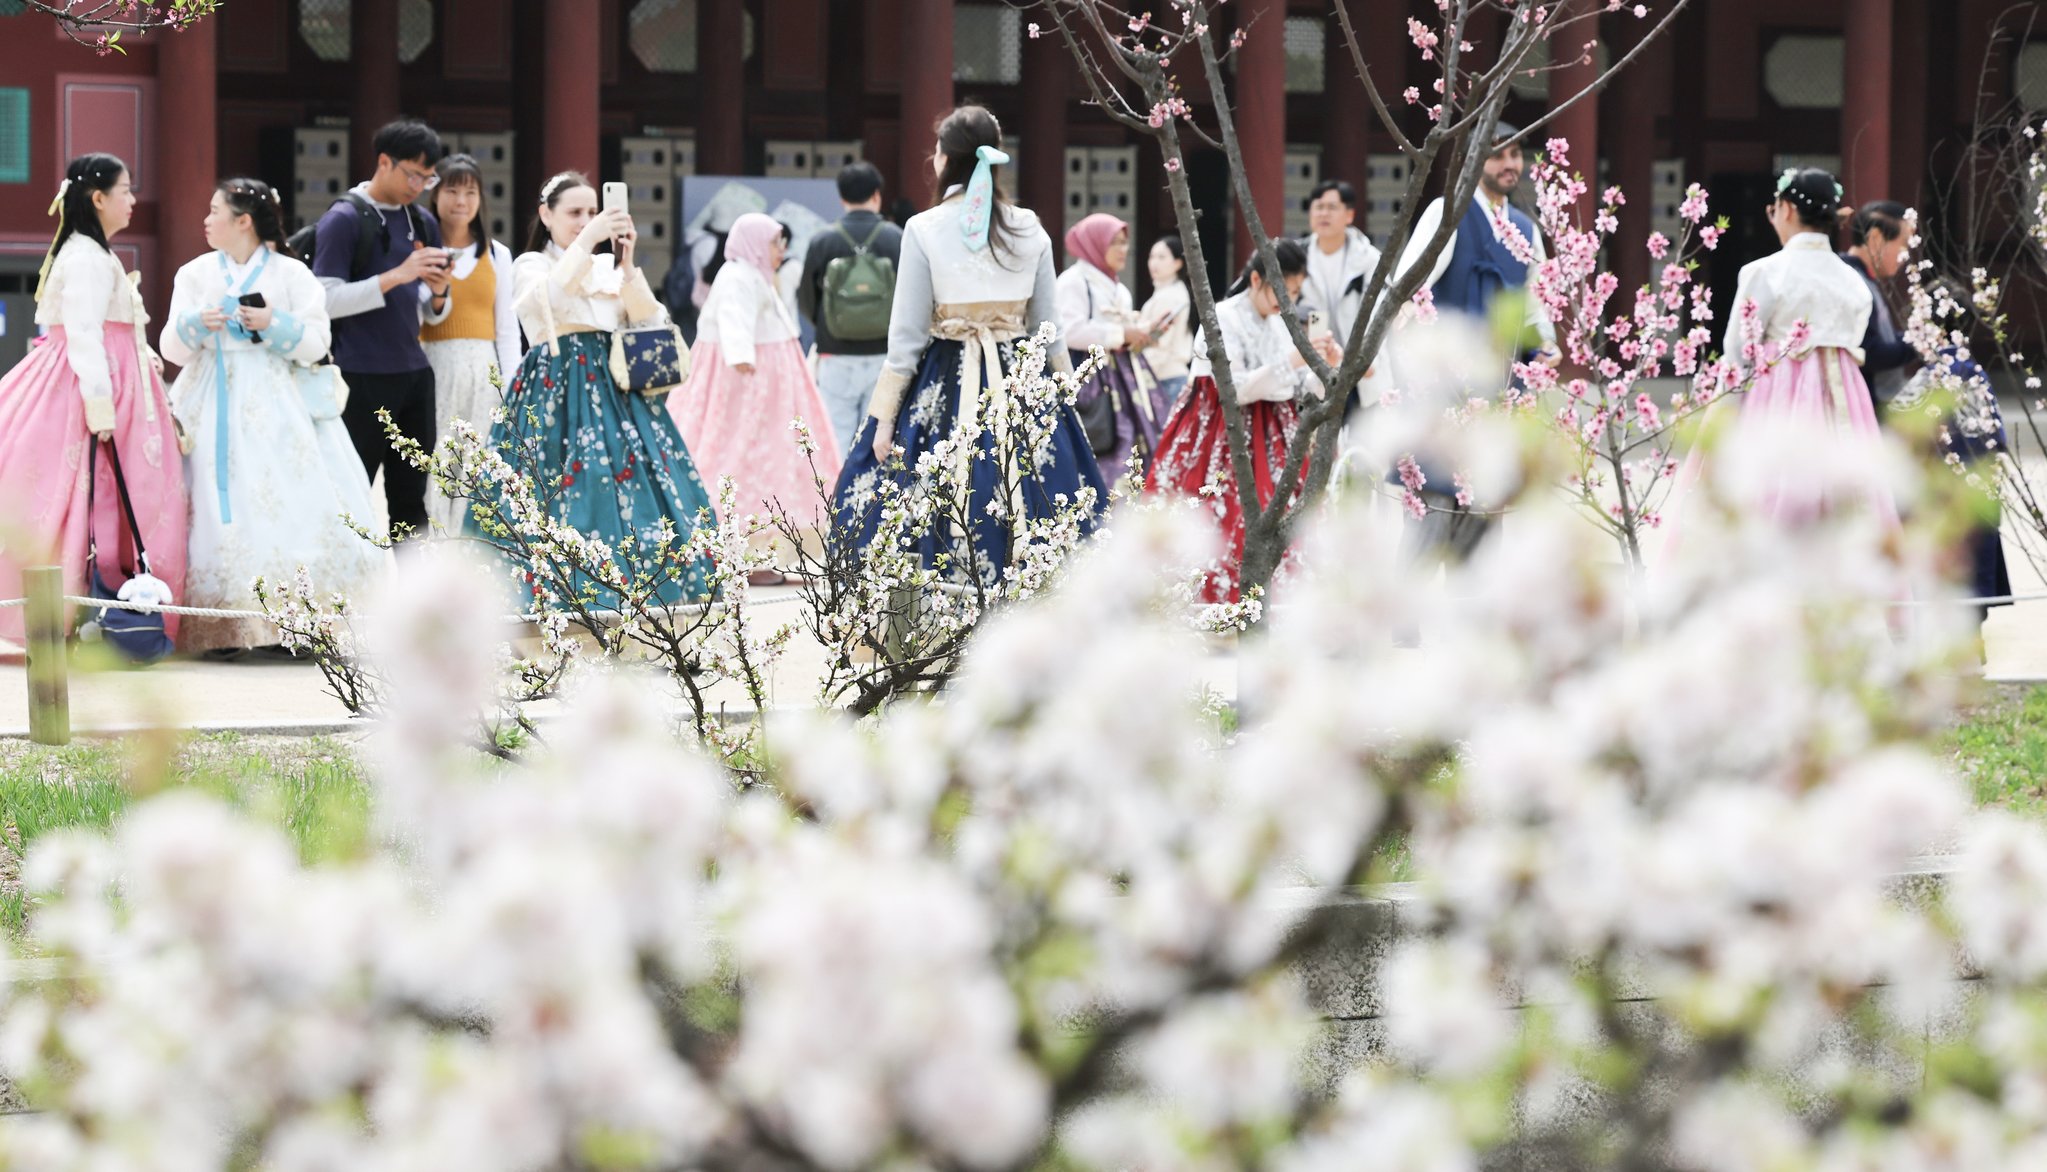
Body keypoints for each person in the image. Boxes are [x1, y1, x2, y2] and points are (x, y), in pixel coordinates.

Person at [831, 105, 1109, 579]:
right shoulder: (1030, 228)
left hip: (944, 377)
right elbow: (1049, 330)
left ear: (942, 159)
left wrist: (883, 419)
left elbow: (907, 338)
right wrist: (1067, 398)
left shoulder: (923, 228)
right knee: (1046, 492)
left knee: (913, 502)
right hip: (1022, 382)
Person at [163, 179, 385, 654]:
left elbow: (318, 343)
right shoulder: (195, 273)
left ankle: (295, 627)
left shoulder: (291, 275)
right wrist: (196, 323)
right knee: (209, 504)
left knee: (287, 502)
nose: (206, 219)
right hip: (209, 397)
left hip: (279, 402)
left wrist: (274, 324)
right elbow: (171, 349)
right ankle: (220, 627)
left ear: (243, 221)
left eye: (214, 210)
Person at [490, 171, 715, 604]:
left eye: (593, 212)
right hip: (555, 389)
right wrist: (586, 239)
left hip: (617, 393)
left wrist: (628, 266)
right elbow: (546, 307)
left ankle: (639, 592)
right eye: (574, 212)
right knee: (555, 488)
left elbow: (650, 323)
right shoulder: (531, 264)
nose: (586, 220)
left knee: (634, 489)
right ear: (545, 214)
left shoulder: (608, 268)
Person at [0, 154, 187, 647]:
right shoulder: (86, 256)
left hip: (101, 379)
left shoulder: (89, 252)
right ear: (98, 198)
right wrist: (100, 407)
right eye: (125, 190)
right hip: (89, 384)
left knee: (80, 497)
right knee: (82, 494)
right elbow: (84, 335)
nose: (132, 200)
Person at [1147, 238, 1337, 604]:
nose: (1288, 302)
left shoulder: (1280, 324)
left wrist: (1323, 364)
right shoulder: (1223, 317)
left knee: (1284, 517)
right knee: (1218, 518)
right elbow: (1232, 389)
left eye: (1295, 293)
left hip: (1274, 433)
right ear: (1255, 280)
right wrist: (1293, 361)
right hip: (1221, 430)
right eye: (1283, 291)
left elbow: (1300, 390)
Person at [668, 213, 843, 583]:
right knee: (747, 456)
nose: (780, 250)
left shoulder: (754, 274)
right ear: (754, 244)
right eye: (773, 243)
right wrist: (742, 356)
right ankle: (752, 555)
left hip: (768, 382)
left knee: (771, 458)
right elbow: (734, 321)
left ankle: (766, 554)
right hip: (750, 385)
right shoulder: (737, 275)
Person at [1716, 168, 1892, 527]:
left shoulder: (1764, 273)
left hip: (1775, 400)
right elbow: (1855, 337)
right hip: (1845, 404)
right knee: (1847, 512)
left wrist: (1723, 421)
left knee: (1766, 507)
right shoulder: (1853, 282)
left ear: (1787, 209)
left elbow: (1738, 354)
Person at [309, 119, 452, 543]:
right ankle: (345, 603)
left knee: (412, 502)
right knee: (351, 495)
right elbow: (325, 300)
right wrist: (397, 275)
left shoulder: (422, 221)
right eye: (413, 174)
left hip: (413, 375)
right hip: (359, 376)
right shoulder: (344, 218)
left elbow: (426, 309)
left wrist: (440, 295)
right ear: (383, 162)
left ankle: (413, 604)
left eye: (428, 178)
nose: (420, 185)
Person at [421, 152, 522, 533]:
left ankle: (470, 558)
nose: (461, 201)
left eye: (470, 192)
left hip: (484, 372)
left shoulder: (497, 254)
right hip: (434, 367)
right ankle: (432, 551)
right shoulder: (421, 251)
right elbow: (421, 317)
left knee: (476, 465)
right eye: (452, 191)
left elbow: (508, 329)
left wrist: (512, 388)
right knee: (434, 462)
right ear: (435, 196)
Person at [799, 161, 904, 456]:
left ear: (842, 197)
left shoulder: (823, 240)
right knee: (879, 439)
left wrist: (827, 326)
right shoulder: (895, 238)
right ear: (876, 195)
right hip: (885, 356)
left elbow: (806, 298)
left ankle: (838, 500)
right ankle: (876, 502)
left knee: (837, 440)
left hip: (835, 354)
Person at [1058, 212, 1170, 480]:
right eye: (1115, 242)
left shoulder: (1120, 289)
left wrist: (1142, 336)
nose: (1124, 249)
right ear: (1094, 243)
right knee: (1098, 447)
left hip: (1125, 378)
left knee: (1135, 450)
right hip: (1091, 378)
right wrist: (1122, 333)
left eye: (1124, 242)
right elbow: (1070, 331)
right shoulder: (1074, 281)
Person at [1838, 200, 1915, 415]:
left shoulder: (1859, 277)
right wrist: (1917, 343)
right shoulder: (1851, 281)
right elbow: (1869, 352)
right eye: (1904, 243)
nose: (1905, 254)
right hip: (1862, 408)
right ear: (1875, 238)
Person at [1297, 180, 1384, 350]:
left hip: (1362, 361)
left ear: (1349, 215)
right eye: (1319, 207)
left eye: (1332, 207)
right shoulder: (1299, 256)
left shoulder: (1368, 258)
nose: (1324, 214)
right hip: (1313, 360)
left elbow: (1380, 310)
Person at [1137, 233, 1194, 412]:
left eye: (1162, 257)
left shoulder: (1170, 296)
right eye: (1152, 257)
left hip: (1166, 379)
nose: (1154, 262)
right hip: (1168, 378)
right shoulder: (1168, 292)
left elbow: (1159, 344)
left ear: (1178, 263)